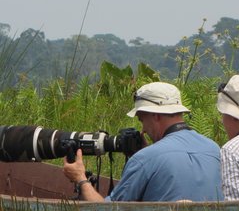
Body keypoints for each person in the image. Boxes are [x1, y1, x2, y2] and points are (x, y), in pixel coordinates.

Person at [64, 82, 223, 202]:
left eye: (142, 120)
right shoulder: (213, 149)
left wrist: (80, 178)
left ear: (156, 115)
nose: (143, 130)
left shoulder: (146, 159)